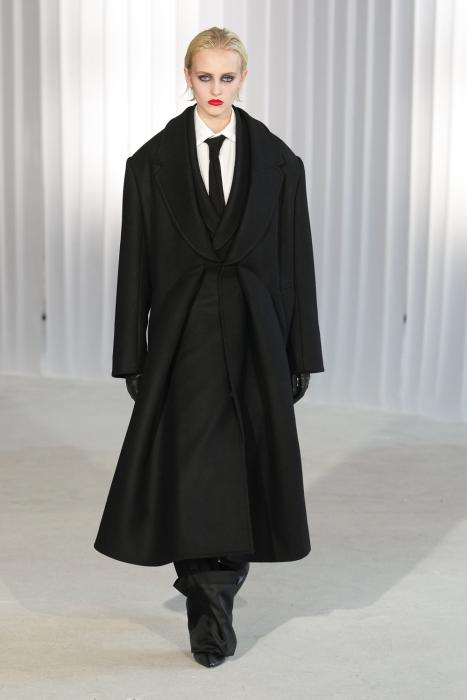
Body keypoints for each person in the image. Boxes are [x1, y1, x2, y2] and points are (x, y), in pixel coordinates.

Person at [94, 26, 325, 668]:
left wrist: (300, 351)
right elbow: (135, 264)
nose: (216, 90)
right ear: (187, 77)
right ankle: (210, 605)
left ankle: (215, 586)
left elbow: (295, 262)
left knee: (244, 465)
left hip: (256, 334)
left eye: (227, 77)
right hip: (182, 337)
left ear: (244, 78)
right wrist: (131, 354)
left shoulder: (281, 164)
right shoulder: (149, 164)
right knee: (194, 467)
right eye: (205, 77)